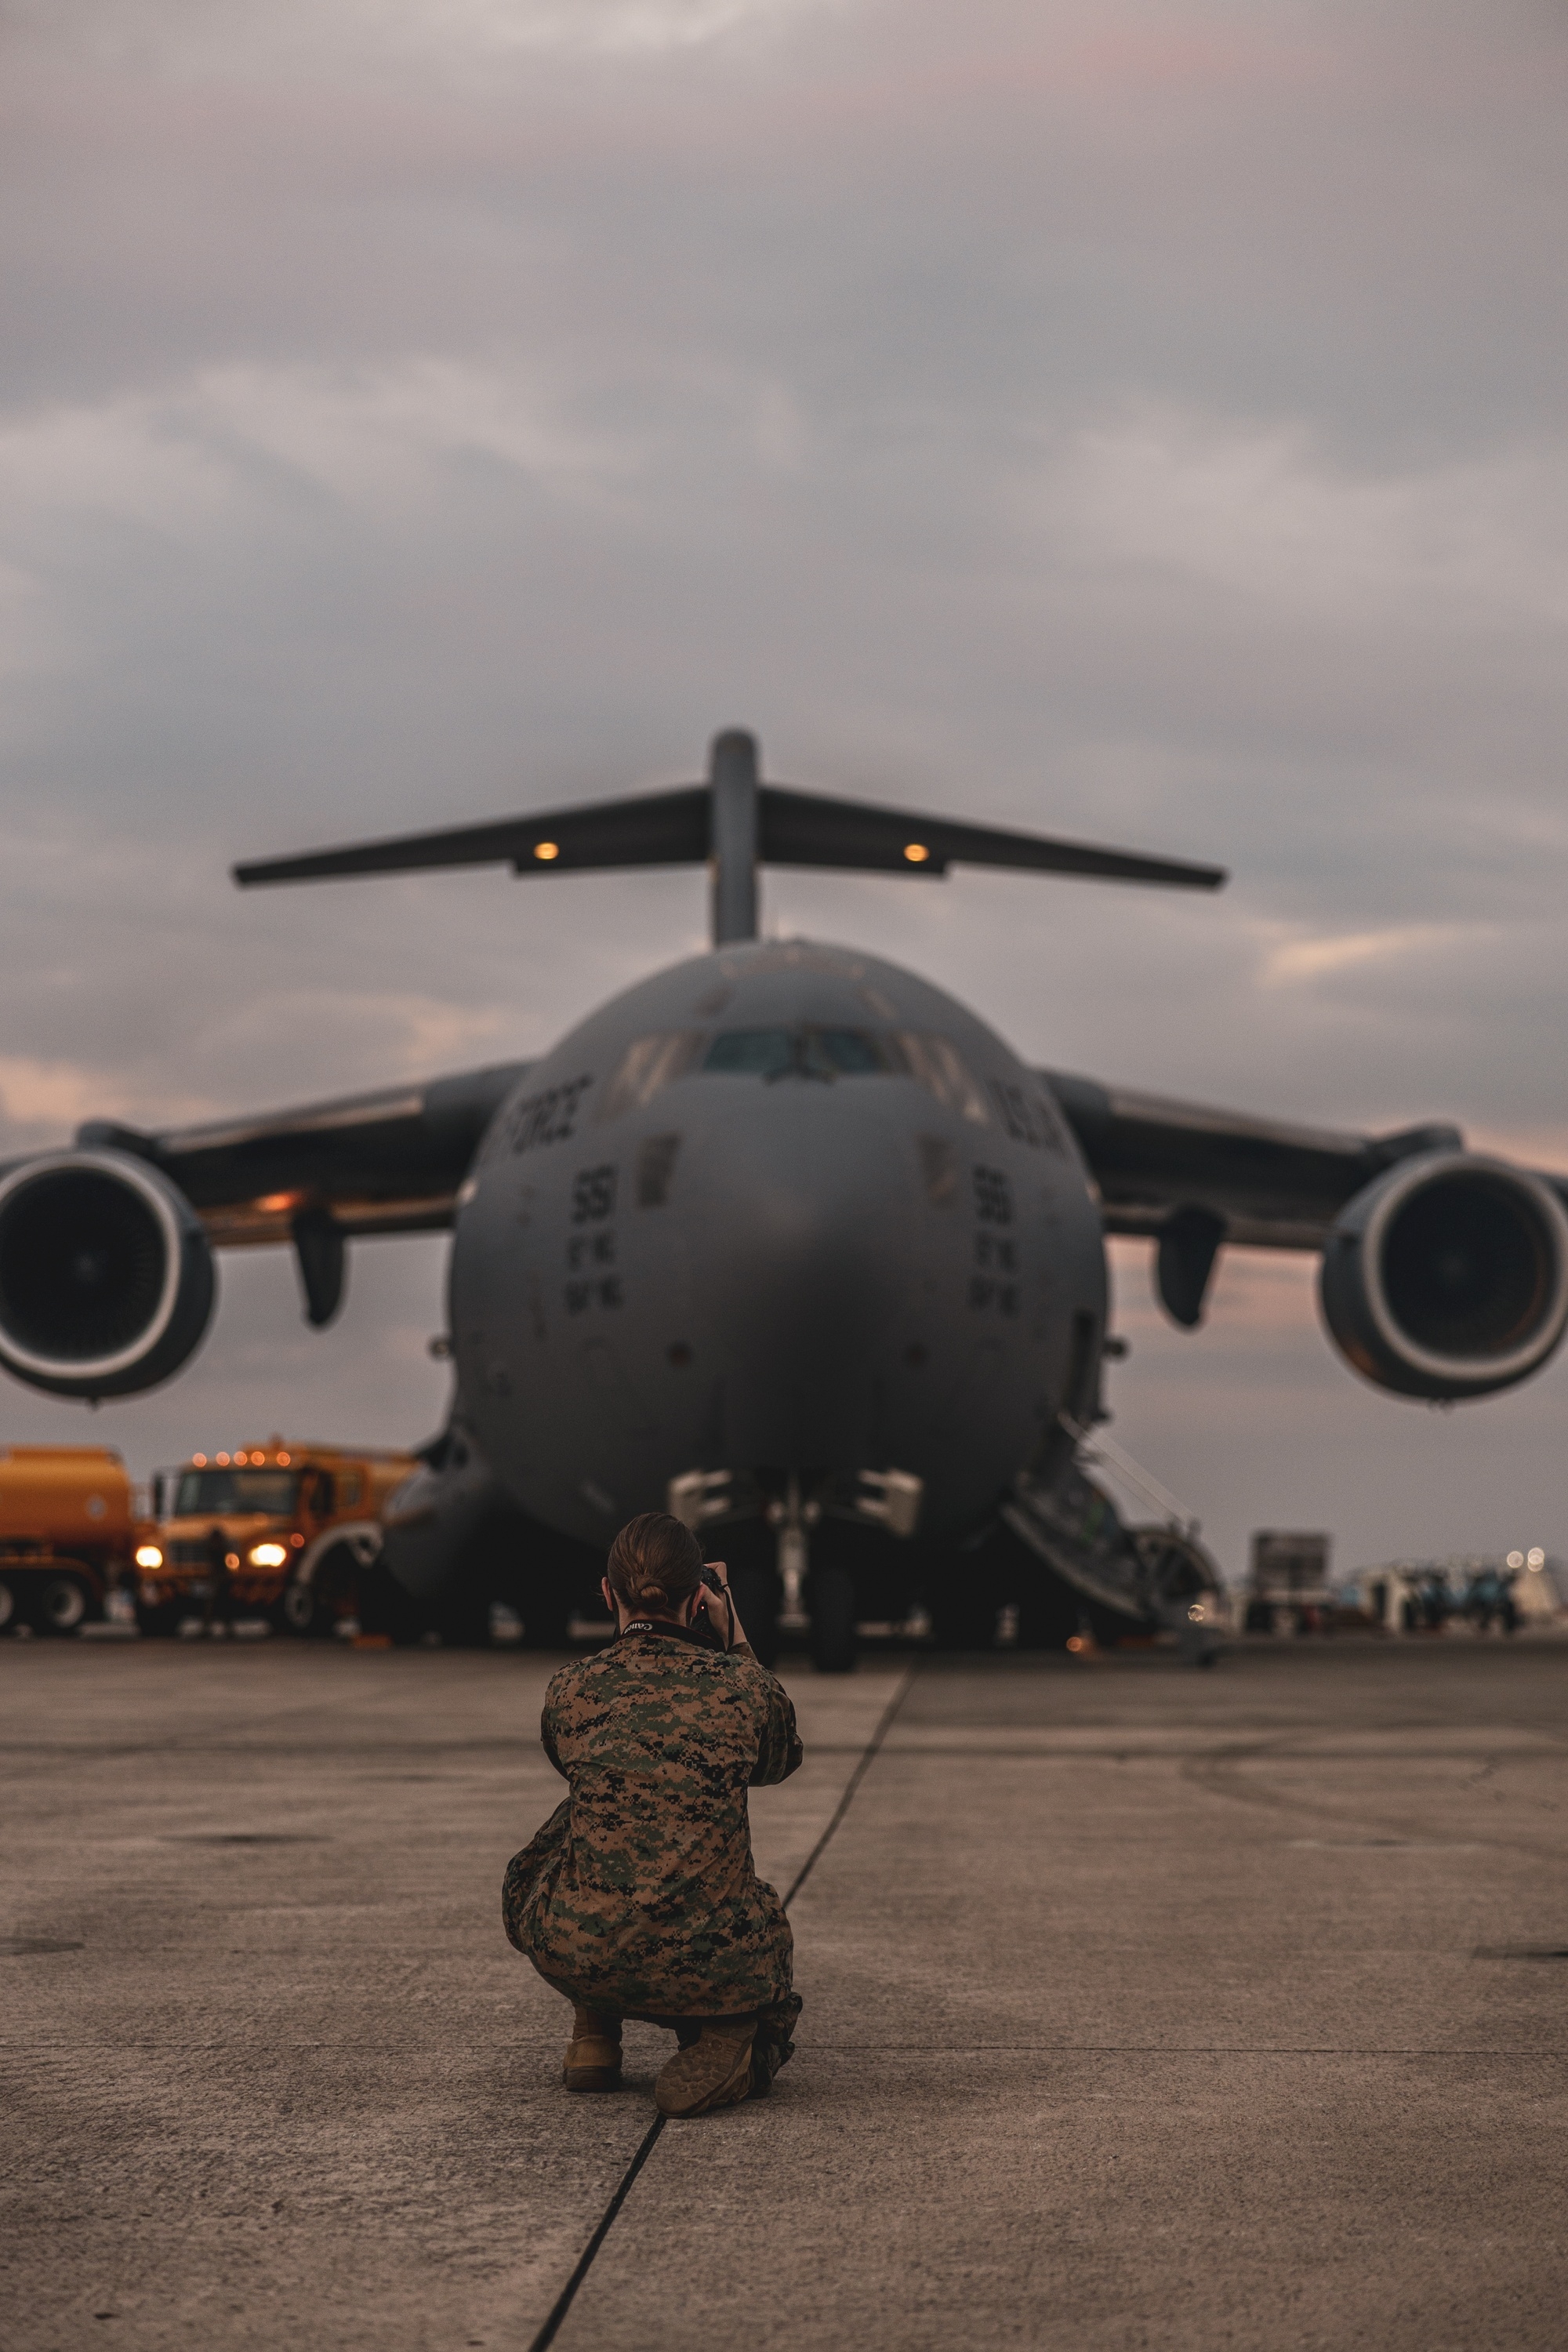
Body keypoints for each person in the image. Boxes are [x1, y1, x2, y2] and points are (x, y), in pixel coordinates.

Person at [503, 1511, 803, 2120]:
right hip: (708, 1961)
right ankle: (728, 2038)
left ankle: (594, 2034)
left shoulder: (571, 1689)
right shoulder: (741, 1688)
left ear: (608, 1593)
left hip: (580, 1952)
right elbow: (779, 1762)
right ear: (701, 1600)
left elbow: (570, 1763)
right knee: (756, 1920)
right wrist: (735, 1632)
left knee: (583, 1820)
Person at [201, 1522, 236, 1638]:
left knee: (221, 1603)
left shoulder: (220, 1549)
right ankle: (209, 1626)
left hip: (220, 1577)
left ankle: (224, 1626)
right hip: (217, 1577)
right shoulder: (214, 1549)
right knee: (214, 1603)